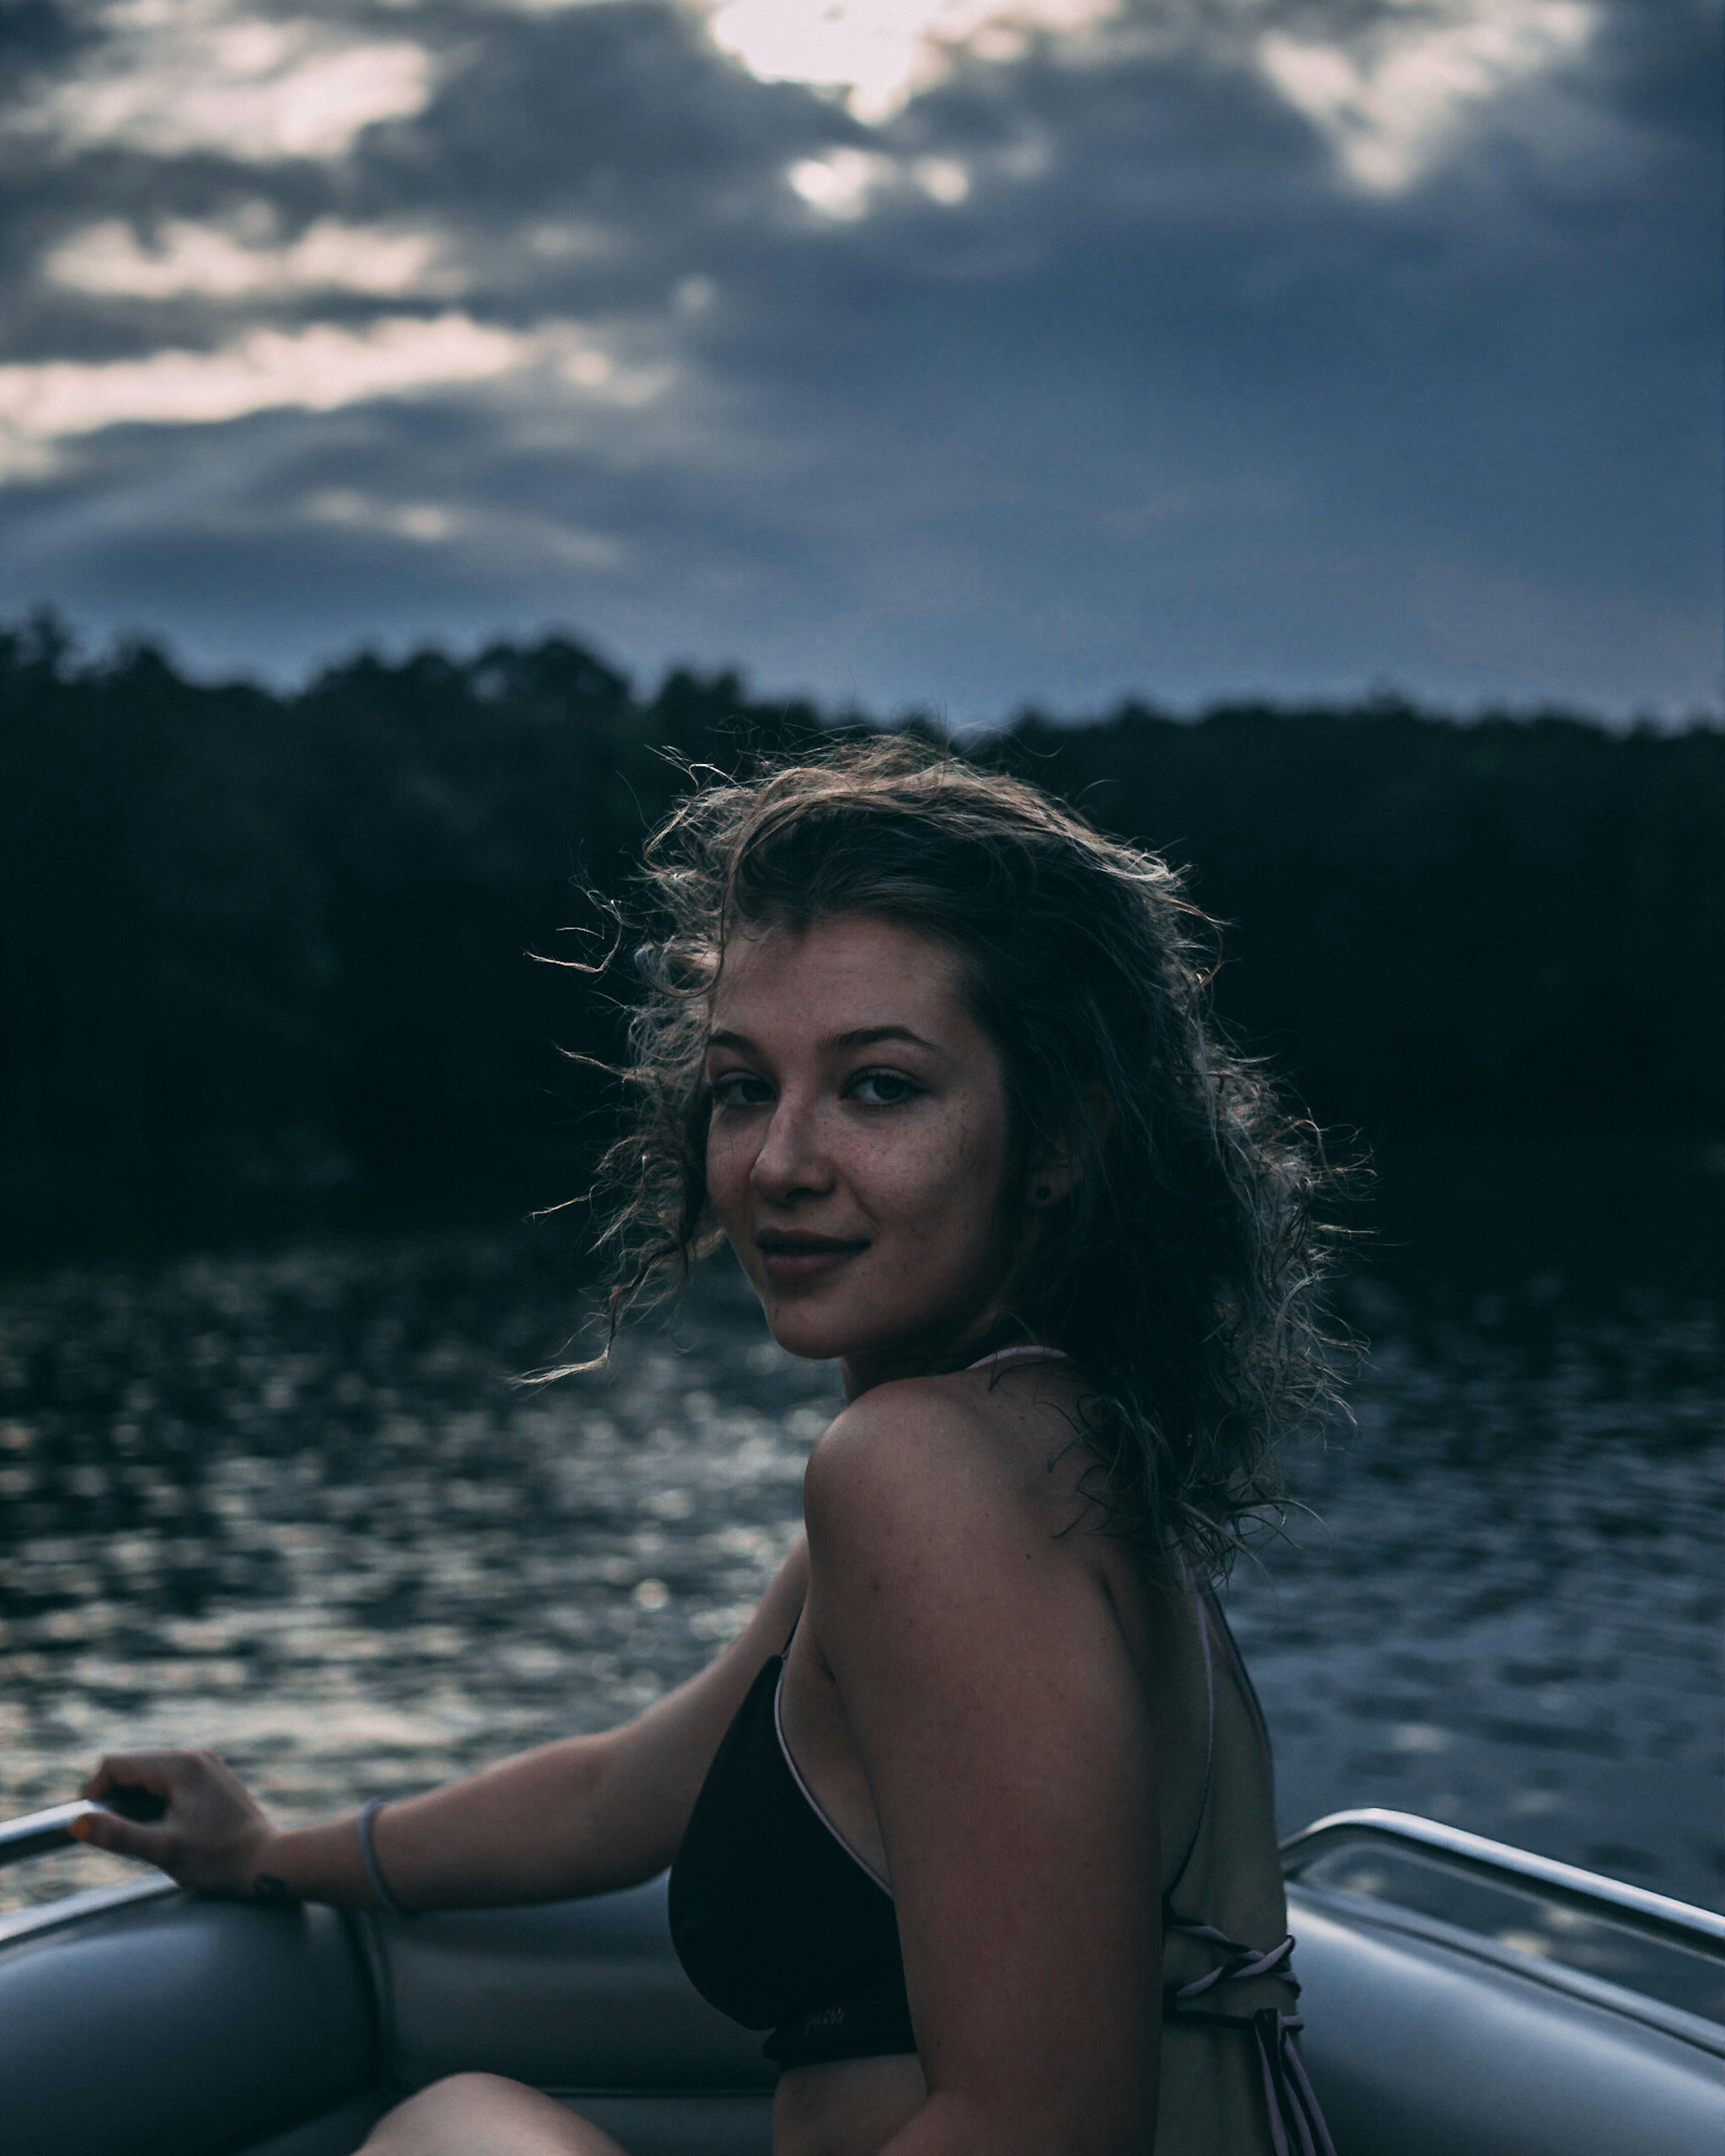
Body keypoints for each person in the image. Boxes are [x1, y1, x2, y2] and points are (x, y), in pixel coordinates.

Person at [77, 741, 1342, 2156]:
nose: (779, 1163)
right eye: (745, 1087)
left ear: (1057, 1139)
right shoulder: (1051, 1448)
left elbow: (1046, 2126)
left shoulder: (924, 1474)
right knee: (468, 2123)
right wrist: (266, 1856)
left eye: (878, 1088)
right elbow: (627, 1794)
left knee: (457, 2137)